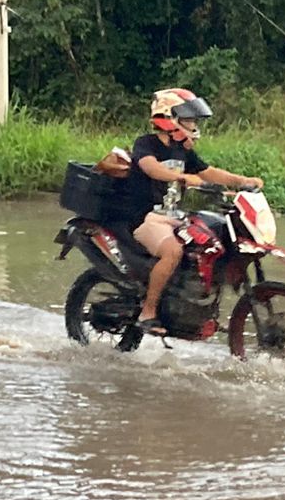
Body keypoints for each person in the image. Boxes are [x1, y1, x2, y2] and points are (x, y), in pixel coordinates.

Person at [111, 88, 263, 335]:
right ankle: (148, 312)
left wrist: (242, 181)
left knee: (213, 241)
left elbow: (208, 172)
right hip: (144, 218)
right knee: (173, 251)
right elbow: (150, 168)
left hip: (173, 217)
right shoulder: (146, 143)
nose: (193, 125)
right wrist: (182, 177)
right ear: (169, 118)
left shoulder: (182, 150)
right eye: (189, 119)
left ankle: (198, 308)